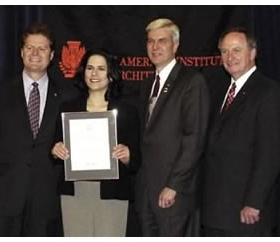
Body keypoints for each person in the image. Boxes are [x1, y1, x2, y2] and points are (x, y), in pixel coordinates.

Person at [0, 23, 77, 236]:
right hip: (5, 192)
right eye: (30, 47)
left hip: (45, 195)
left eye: (42, 48)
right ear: (21, 52)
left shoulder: (66, 97)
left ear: (51, 55)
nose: (35, 53)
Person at [51, 49, 140, 236]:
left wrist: (127, 155)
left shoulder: (126, 112)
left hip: (112, 192)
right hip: (75, 191)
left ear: (111, 74)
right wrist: (56, 150)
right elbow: (55, 150)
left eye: (101, 68)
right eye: (90, 68)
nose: (94, 73)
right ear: (83, 72)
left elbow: (137, 159)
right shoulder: (68, 109)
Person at [202, 27, 280, 236]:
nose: (230, 57)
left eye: (236, 50)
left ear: (252, 53)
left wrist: (254, 202)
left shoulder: (269, 92)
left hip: (245, 213)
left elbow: (270, 155)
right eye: (224, 51)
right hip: (215, 211)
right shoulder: (219, 91)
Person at [135, 18, 210, 236]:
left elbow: (194, 140)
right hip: (147, 192)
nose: (155, 47)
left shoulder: (191, 82)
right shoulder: (148, 83)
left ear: (175, 45)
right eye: (150, 41)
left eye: (162, 41)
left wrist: (174, 185)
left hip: (174, 194)